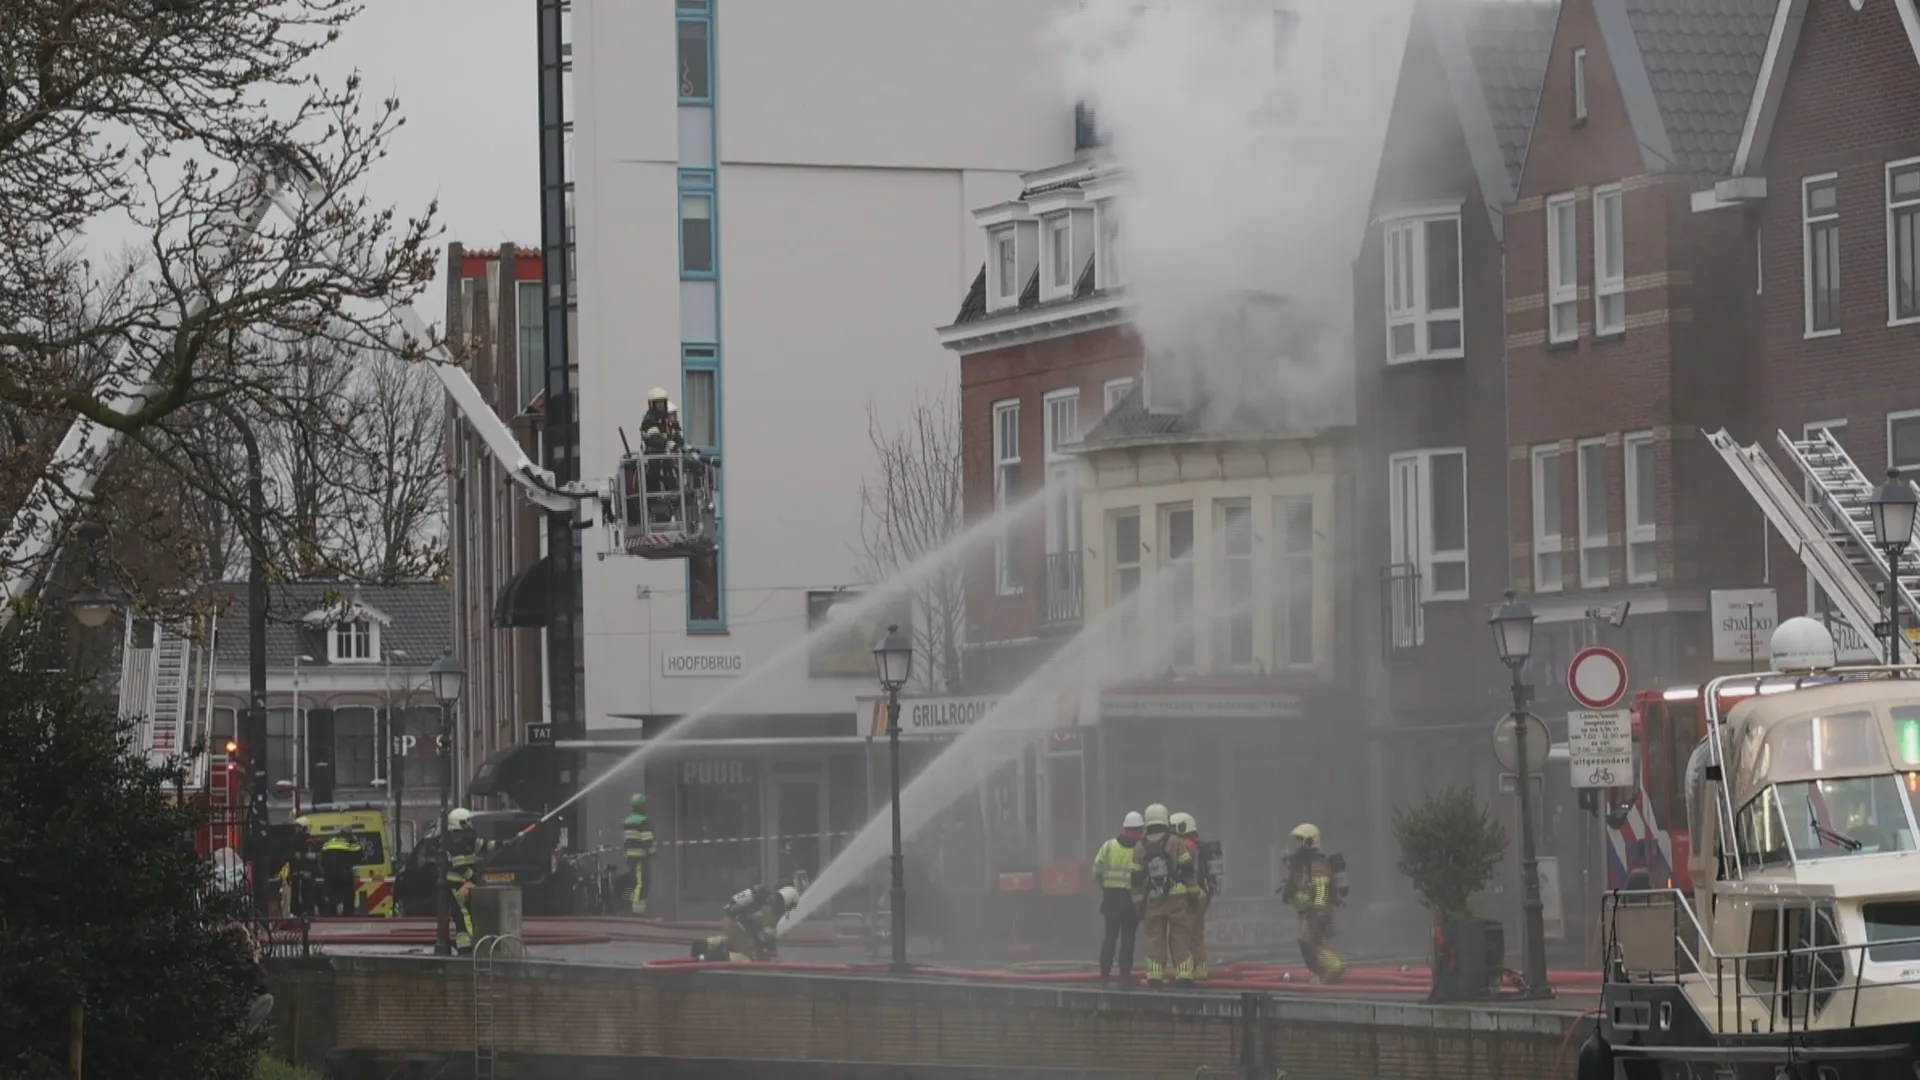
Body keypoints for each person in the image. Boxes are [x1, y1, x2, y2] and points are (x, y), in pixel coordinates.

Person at [1132, 803, 1196, 989]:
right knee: (1180, 935)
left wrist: (1139, 903)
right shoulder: (1175, 841)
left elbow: (1136, 877)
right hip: (1177, 896)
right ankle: (1184, 975)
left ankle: (1154, 975)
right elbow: (1187, 869)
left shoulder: (1139, 846)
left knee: (1154, 937)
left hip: (1154, 897)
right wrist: (1193, 892)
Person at [1283, 823, 1345, 983]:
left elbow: (1322, 885)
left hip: (1315, 910)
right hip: (1307, 909)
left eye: (1299, 840)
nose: (1296, 845)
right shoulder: (1303, 862)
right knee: (1311, 942)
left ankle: (1333, 965)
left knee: (1306, 940)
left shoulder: (1317, 863)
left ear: (1309, 842)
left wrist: (1319, 911)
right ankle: (1320, 973)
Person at [1092, 810, 1144, 987]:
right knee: (1128, 938)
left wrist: (1104, 886)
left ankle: (1104, 975)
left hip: (1111, 897)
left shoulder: (1108, 846)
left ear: (1124, 828)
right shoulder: (1141, 849)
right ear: (1138, 830)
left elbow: (1096, 870)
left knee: (1110, 937)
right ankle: (1124, 975)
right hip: (1131, 899)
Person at [1171, 812, 1218, 981]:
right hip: (1203, 893)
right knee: (1197, 934)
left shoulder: (1184, 846)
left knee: (1183, 935)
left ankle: (1184, 973)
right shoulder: (1198, 846)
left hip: (1190, 894)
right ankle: (1200, 970)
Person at [703, 884, 799, 961]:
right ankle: (716, 958)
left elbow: (754, 924)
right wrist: (773, 954)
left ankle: (711, 943)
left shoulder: (765, 901)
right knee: (750, 958)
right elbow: (768, 936)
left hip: (733, 922)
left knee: (747, 947)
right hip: (734, 924)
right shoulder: (769, 909)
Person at [444, 807, 494, 952]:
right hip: (457, 886)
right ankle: (469, 948)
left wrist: (503, 843)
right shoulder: (455, 842)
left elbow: (484, 845)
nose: (471, 825)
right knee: (464, 916)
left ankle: (466, 947)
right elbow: (460, 866)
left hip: (465, 885)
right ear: (461, 823)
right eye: (468, 822)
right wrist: (474, 878)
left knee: (466, 917)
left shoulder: (465, 838)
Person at [624, 792, 657, 917]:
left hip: (630, 856)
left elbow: (629, 840)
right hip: (641, 857)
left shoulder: (628, 820)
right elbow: (647, 839)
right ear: (642, 805)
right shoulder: (644, 821)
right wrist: (652, 852)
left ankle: (635, 908)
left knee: (635, 881)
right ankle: (638, 912)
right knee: (642, 882)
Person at [319, 831, 361, 916]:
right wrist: (354, 840)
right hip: (344, 875)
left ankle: (331, 916)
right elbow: (359, 854)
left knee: (332, 897)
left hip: (330, 875)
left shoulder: (328, 843)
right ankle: (348, 915)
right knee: (348, 896)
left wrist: (325, 872)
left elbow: (322, 860)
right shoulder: (348, 843)